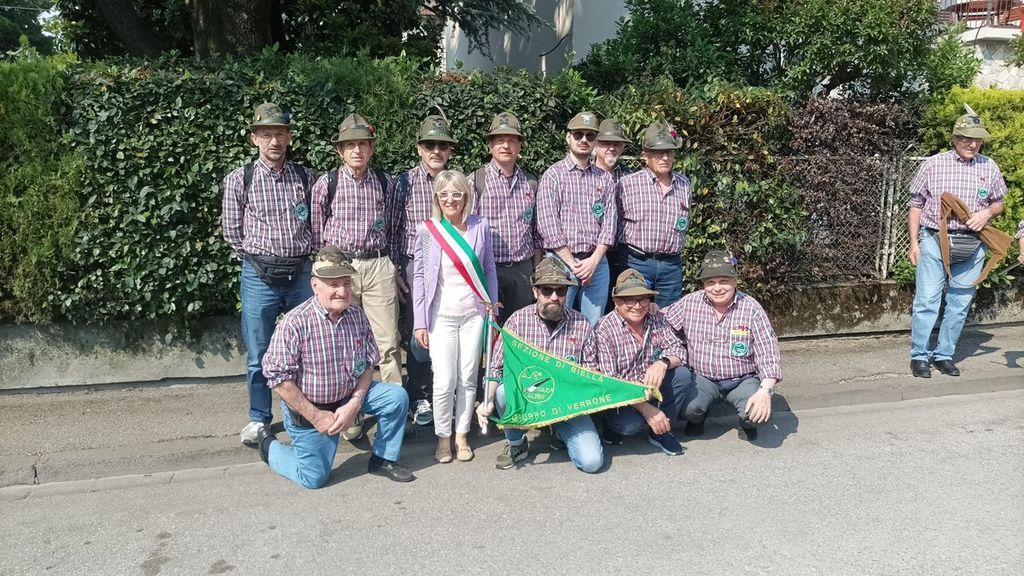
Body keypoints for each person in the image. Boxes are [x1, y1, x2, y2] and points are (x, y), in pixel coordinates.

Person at [257, 246, 414, 488]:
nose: (342, 291)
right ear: (315, 285)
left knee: (396, 397)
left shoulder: (357, 316)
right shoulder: (294, 323)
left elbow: (368, 364)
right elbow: (278, 380)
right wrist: (316, 416)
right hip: (312, 407)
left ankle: (383, 460)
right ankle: (269, 446)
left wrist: (355, 403)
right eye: (333, 284)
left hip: (348, 395)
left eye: (346, 283)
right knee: (313, 478)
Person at [221, 102, 317, 446]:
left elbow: (317, 224)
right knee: (259, 353)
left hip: (300, 274)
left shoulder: (306, 178)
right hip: (258, 277)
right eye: (266, 135)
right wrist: (259, 260)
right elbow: (231, 231)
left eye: (280, 134)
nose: (274, 141)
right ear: (254, 138)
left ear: (289, 138)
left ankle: (304, 413)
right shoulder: (239, 179)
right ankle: (259, 418)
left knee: (306, 349)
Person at [310, 113, 402, 445]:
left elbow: (394, 227)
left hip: (378, 265)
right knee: (345, 344)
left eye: (363, 144)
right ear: (340, 151)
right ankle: (351, 412)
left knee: (387, 343)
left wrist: (392, 266)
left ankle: (393, 410)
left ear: (371, 148)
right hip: (341, 268)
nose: (357, 150)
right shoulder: (327, 184)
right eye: (350, 145)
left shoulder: (386, 183)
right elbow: (317, 232)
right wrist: (327, 271)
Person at [477, 256, 604, 473]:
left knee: (592, 463)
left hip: (567, 404)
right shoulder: (517, 321)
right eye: (547, 290)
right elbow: (496, 368)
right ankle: (516, 442)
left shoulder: (582, 324)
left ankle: (559, 430)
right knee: (502, 393)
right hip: (529, 397)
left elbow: (591, 372)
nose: (554, 297)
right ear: (535, 292)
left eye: (560, 290)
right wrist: (487, 401)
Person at [907, 107, 1006, 378]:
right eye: (966, 139)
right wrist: (913, 243)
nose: (972, 144)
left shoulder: (989, 166)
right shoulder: (932, 165)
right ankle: (919, 356)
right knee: (927, 300)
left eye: (977, 139)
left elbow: (999, 203)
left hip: (973, 244)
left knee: (960, 303)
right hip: (934, 240)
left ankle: (944, 355)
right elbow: (916, 204)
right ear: (955, 139)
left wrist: (986, 213)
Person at [412, 170, 498, 464]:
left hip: (474, 314)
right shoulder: (428, 231)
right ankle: (443, 437)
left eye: (456, 194)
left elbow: (489, 269)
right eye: (444, 194)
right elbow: (420, 277)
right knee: (444, 380)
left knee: (468, 377)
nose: (451, 200)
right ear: (437, 197)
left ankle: (462, 435)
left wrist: (492, 308)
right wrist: (420, 322)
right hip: (441, 316)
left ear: (465, 197)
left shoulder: (480, 226)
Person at [663, 250, 782, 442]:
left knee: (755, 413)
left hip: (742, 379)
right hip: (702, 378)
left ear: (735, 281)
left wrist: (765, 391)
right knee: (689, 408)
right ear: (703, 284)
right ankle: (698, 418)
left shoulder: (751, 308)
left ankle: (746, 423)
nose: (717, 288)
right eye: (710, 282)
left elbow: (768, 351)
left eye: (723, 281)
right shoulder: (689, 303)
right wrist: (651, 310)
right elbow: (662, 323)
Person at [393, 113, 457, 427]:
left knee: (449, 328)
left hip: (451, 266)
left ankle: (445, 393)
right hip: (415, 266)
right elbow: (392, 229)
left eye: (442, 146)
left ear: (450, 151)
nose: (436, 151)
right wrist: (395, 269)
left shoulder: (457, 182)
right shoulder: (403, 183)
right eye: (430, 145)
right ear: (419, 148)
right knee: (418, 331)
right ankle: (419, 395)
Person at [594, 269, 690, 456]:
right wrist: (647, 410)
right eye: (630, 300)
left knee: (682, 375)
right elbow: (610, 381)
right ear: (616, 301)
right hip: (623, 394)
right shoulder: (604, 329)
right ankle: (611, 424)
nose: (637, 306)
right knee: (629, 425)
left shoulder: (657, 318)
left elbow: (679, 350)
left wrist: (663, 362)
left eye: (643, 299)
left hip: (651, 387)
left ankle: (660, 432)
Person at [536, 111, 617, 325]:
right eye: (578, 134)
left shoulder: (605, 179)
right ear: (568, 137)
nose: (584, 140)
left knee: (593, 324)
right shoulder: (553, 176)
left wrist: (593, 261)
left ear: (595, 140)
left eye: (590, 136)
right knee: (557, 321)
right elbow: (547, 225)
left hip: (597, 265)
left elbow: (609, 225)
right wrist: (574, 264)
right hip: (561, 263)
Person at [470, 112, 542, 326]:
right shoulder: (476, 181)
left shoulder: (531, 182)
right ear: (490, 145)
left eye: (512, 140)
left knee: (519, 330)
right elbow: (467, 231)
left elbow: (536, 232)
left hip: (522, 271)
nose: (506, 146)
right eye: (500, 140)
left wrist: (536, 270)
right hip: (488, 269)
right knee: (487, 330)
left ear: (520, 146)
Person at [615, 121, 691, 308]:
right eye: (658, 153)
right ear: (645, 156)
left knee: (669, 316)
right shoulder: (627, 184)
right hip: (636, 262)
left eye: (669, 153)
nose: (664, 158)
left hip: (671, 266)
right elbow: (614, 222)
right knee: (634, 313)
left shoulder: (684, 185)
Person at [593, 118, 631, 184]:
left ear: (622, 148)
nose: (612, 148)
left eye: (617, 144)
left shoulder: (629, 177)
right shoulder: (584, 174)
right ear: (595, 145)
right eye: (606, 143)